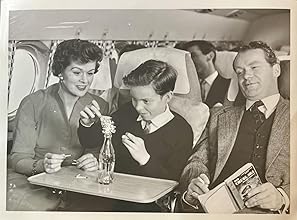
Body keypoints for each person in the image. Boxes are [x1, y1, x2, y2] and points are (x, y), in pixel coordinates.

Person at [179, 41, 289, 214]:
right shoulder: (219, 116)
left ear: (276, 69)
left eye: (254, 67)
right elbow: (196, 161)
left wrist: (283, 197)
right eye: (240, 72)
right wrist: (196, 182)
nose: (246, 76)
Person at [78, 59, 193, 211]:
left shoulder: (182, 131)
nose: (138, 107)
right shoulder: (127, 113)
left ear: (167, 97)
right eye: (134, 99)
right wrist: (87, 123)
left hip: (147, 206)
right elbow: (91, 141)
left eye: (146, 101)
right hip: (110, 196)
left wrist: (145, 159)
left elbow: (173, 182)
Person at [8, 39, 109, 210]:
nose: (85, 80)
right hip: (33, 181)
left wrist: (94, 161)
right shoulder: (33, 103)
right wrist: (42, 165)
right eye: (77, 72)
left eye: (90, 73)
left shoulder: (100, 105)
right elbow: (18, 158)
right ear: (60, 71)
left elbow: (97, 150)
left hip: (78, 184)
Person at [182, 40, 230, 108]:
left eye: (193, 55)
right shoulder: (186, 87)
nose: (189, 61)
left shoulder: (228, 85)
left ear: (210, 56)